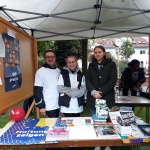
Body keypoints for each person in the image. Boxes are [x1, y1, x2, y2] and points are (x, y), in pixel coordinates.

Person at [85, 46, 117, 150]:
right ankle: (98, 143)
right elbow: (88, 80)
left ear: (104, 53)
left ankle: (107, 144)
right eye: (95, 52)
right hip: (93, 98)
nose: (97, 54)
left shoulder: (111, 64)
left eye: (99, 52)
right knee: (96, 121)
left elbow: (112, 80)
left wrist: (101, 92)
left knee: (106, 122)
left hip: (106, 98)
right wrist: (93, 92)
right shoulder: (91, 65)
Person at [34, 50, 60, 118]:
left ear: (55, 58)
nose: (50, 59)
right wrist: (41, 107)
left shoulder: (58, 71)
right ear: (44, 59)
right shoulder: (40, 72)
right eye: (48, 57)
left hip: (58, 104)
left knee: (56, 126)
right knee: (51, 126)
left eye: (52, 57)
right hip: (48, 106)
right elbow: (37, 91)